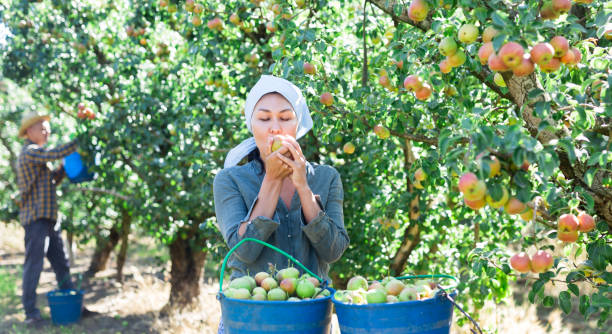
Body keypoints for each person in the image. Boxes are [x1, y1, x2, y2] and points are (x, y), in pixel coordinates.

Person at [213, 75, 349, 333]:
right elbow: (245, 251)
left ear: (298, 124)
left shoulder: (326, 177)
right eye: (264, 118)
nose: (275, 127)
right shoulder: (230, 180)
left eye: (285, 118)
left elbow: (333, 251)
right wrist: (272, 180)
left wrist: (303, 187)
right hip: (251, 319)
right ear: (251, 125)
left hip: (309, 319)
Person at [15, 110, 97, 327]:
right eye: (41, 127)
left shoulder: (39, 157)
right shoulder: (31, 152)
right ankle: (30, 312)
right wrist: (83, 139)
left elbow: (50, 181)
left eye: (47, 127)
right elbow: (54, 153)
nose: (47, 130)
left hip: (50, 218)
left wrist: (62, 171)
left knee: (61, 264)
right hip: (36, 219)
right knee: (34, 264)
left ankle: (74, 305)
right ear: (29, 132)